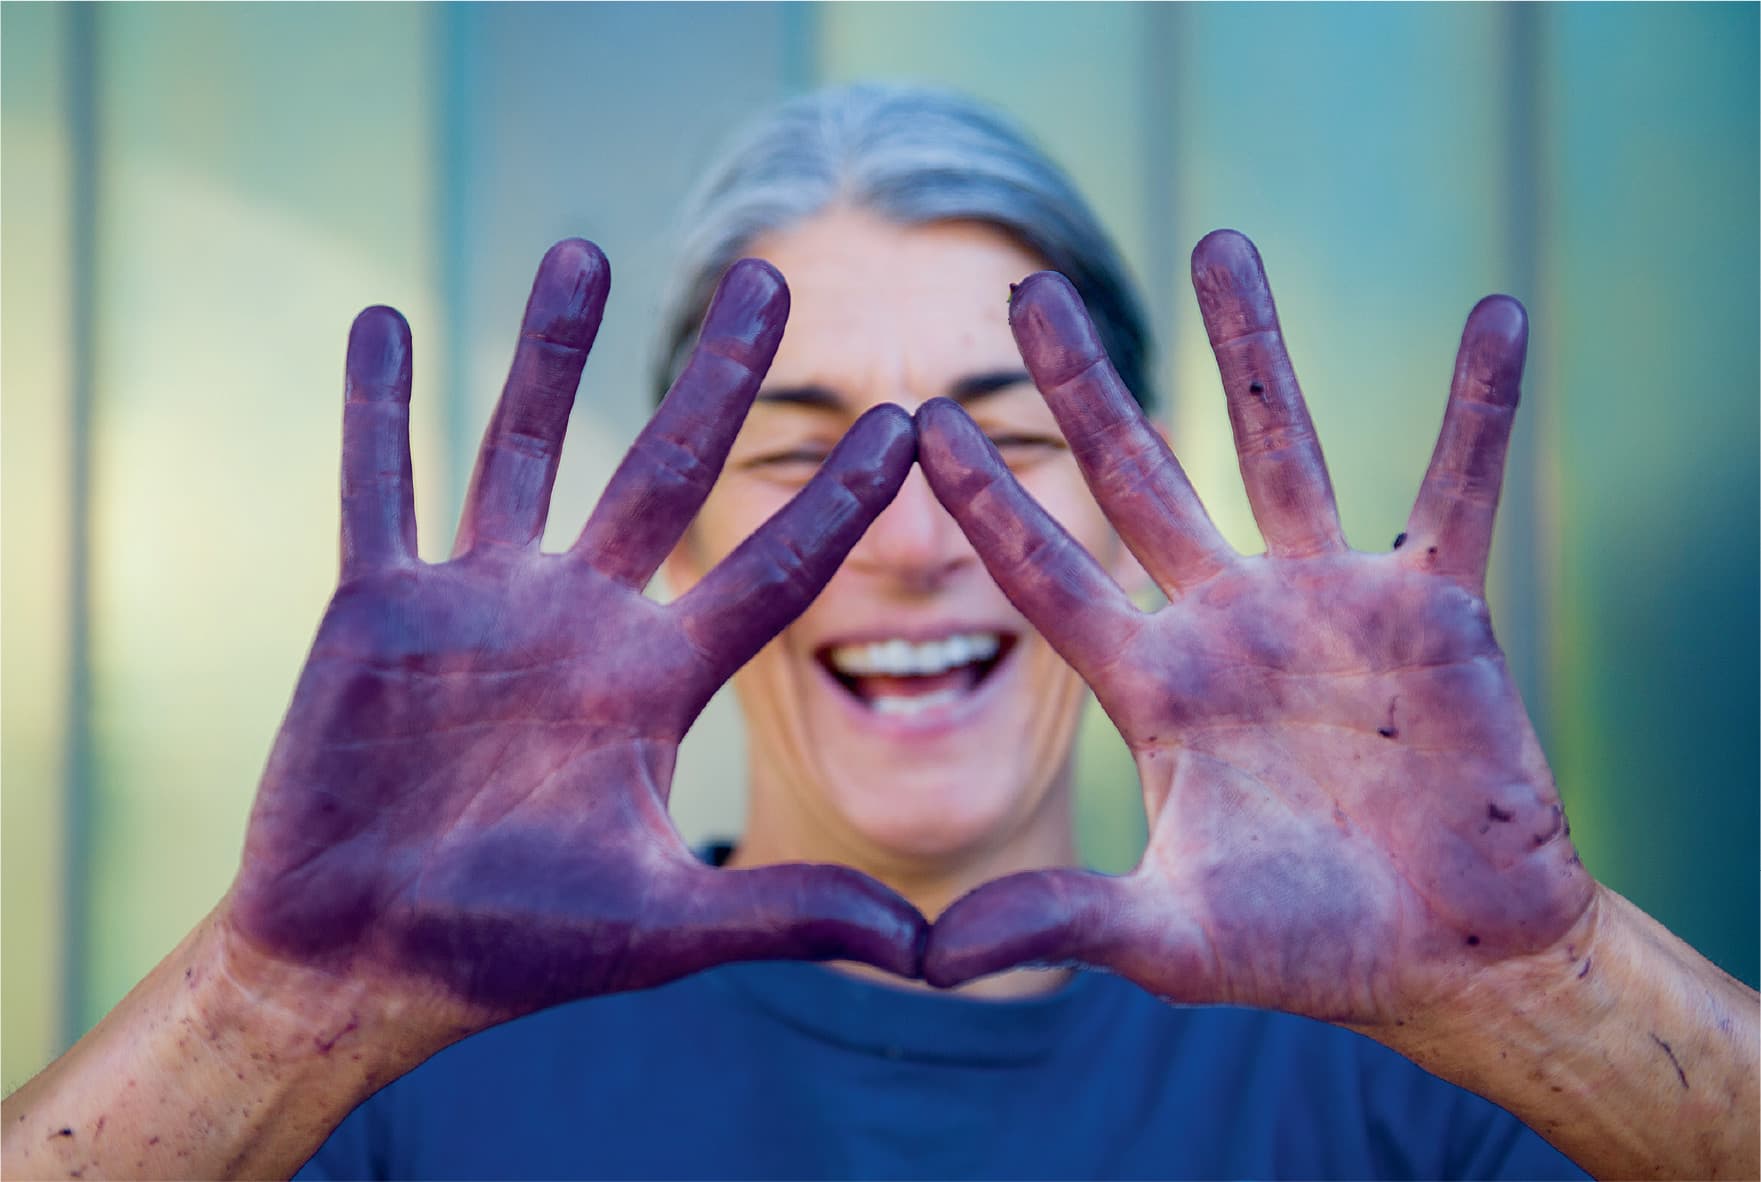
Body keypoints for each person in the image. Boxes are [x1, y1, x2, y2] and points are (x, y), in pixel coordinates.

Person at [2, 83, 1755, 1181]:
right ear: (674, 514)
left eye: (1010, 443)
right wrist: (260, 1010)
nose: (916, 540)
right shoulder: (411, 1042)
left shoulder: (1424, 1056)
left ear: (1138, 491)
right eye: (806, 458)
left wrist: (1551, 987)